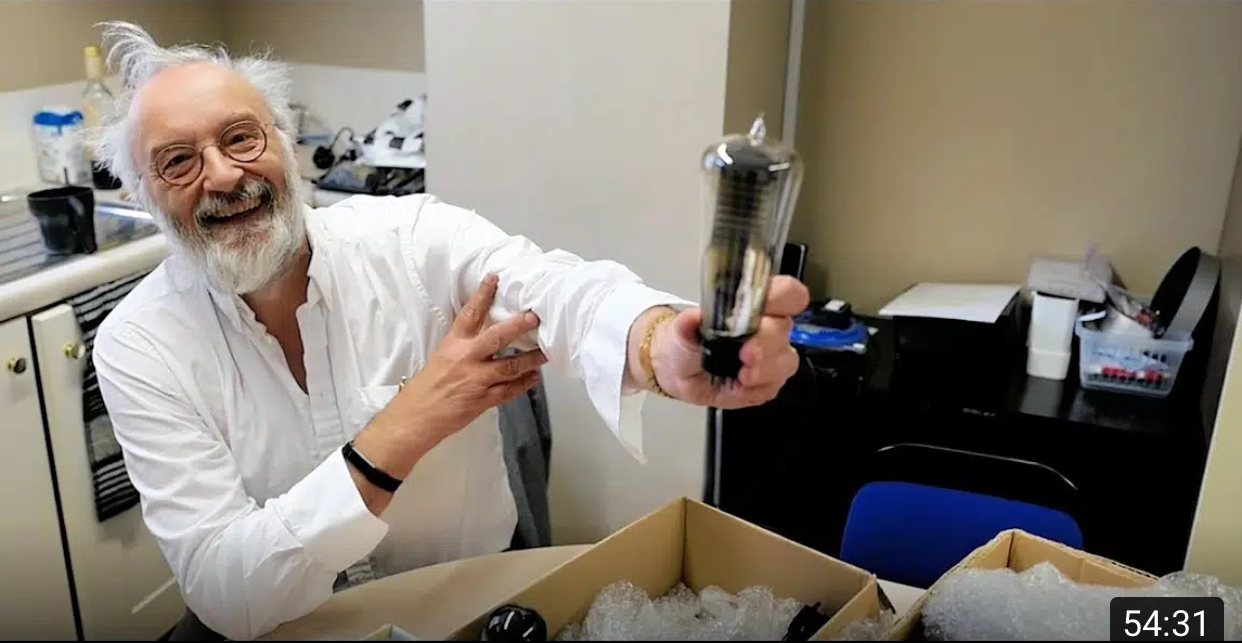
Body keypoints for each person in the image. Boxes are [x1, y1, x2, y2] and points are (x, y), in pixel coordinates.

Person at [90, 22, 808, 641]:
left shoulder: (410, 238)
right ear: (145, 197)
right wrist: (406, 425)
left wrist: (658, 343)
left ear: (285, 143)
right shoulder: (139, 345)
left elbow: (552, 289)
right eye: (177, 161)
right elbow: (224, 588)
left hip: (464, 604)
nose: (222, 176)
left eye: (241, 138)